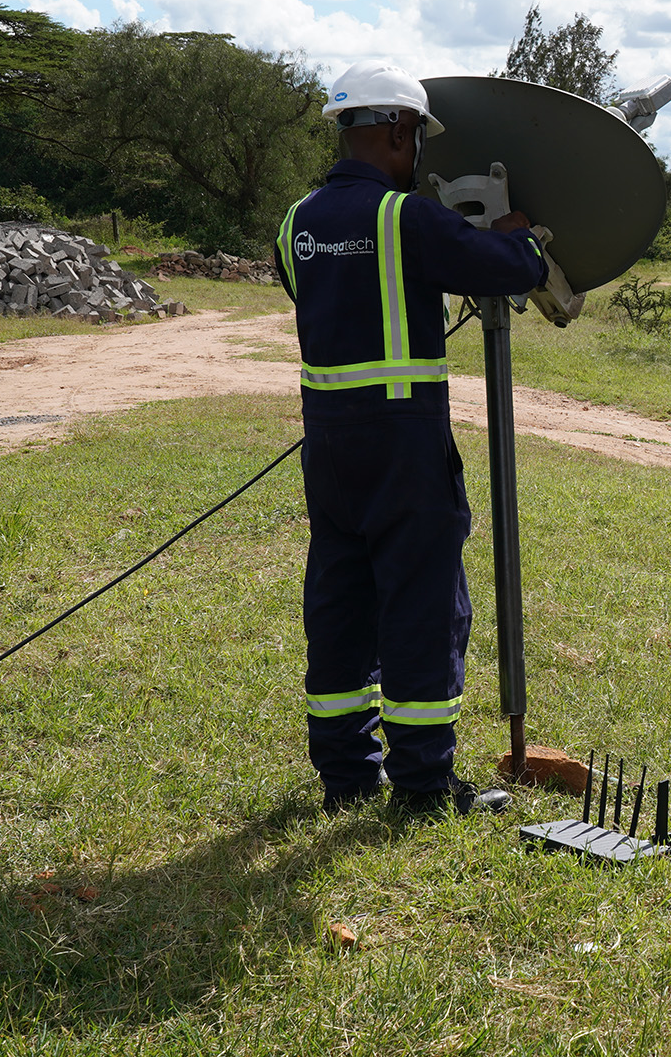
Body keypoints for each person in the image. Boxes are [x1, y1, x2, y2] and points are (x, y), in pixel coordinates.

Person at [275, 59, 548, 818]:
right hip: (404, 441)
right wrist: (516, 235)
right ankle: (425, 787)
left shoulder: (295, 222)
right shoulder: (407, 218)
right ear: (399, 130)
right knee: (423, 606)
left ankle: (346, 777)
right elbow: (507, 269)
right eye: (417, 138)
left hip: (327, 443)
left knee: (340, 600)